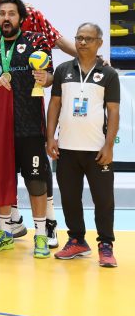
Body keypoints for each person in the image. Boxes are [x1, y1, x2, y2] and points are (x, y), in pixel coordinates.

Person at [0, 0, 64, 245]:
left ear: (21, 17)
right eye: (2, 14)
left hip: (30, 126)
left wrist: (45, 78)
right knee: (3, 181)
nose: (6, 18)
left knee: (36, 180)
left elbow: (50, 76)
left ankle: (43, 231)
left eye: (11, 14)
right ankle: (6, 231)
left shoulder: (37, 41)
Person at [46, 23, 119, 268]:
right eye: (79, 38)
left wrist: (109, 146)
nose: (83, 42)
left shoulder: (108, 73)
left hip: (97, 149)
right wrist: (50, 137)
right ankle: (77, 240)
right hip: (67, 149)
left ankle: (106, 244)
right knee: (69, 198)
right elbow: (54, 105)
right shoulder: (63, 70)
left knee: (104, 200)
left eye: (88, 38)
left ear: (99, 43)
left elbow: (113, 111)